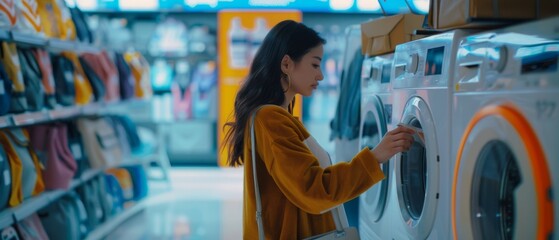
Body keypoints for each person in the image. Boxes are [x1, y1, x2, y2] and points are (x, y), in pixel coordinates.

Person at [223, 20, 415, 239]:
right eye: (315, 64)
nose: (321, 75)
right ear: (286, 64)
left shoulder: (276, 118)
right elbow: (315, 190)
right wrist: (375, 157)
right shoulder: (270, 120)